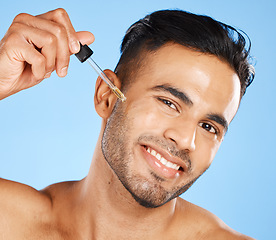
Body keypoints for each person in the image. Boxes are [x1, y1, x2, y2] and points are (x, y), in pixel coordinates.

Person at [0, 8, 255, 239]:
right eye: (169, 103)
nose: (187, 140)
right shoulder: (13, 224)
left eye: (209, 127)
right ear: (107, 97)